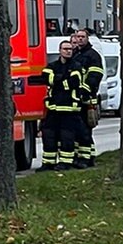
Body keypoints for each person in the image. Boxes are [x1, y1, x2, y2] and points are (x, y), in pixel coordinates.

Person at [39, 40, 83, 170]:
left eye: (70, 49)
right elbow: (46, 78)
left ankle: (65, 162)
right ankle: (48, 163)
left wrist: (58, 81)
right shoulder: (52, 66)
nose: (68, 51)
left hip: (70, 108)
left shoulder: (76, 66)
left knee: (67, 137)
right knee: (49, 136)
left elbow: (74, 81)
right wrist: (62, 80)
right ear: (60, 50)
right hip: (53, 108)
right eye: (65, 49)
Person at [69, 30, 104, 168]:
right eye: (78, 37)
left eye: (82, 37)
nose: (80, 39)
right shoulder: (76, 54)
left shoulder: (93, 56)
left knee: (85, 130)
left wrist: (85, 90)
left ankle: (87, 158)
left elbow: (95, 76)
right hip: (75, 98)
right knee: (76, 130)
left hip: (87, 99)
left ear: (87, 38)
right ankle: (80, 157)